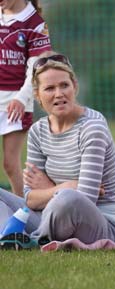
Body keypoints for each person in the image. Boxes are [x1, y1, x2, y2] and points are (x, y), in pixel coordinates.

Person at [0, 51, 115, 248]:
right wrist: (65, 186)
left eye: (64, 85)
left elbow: (84, 199)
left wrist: (52, 190)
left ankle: (25, 239)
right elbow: (29, 198)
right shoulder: (38, 131)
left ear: (75, 86)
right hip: (52, 217)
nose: (59, 94)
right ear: (37, 95)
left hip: (105, 225)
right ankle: (12, 236)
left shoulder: (93, 128)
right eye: (49, 88)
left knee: (67, 199)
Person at [0, 0, 51, 196]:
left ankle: (23, 210)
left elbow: (36, 67)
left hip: (16, 102)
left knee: (10, 164)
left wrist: (22, 98)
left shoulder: (35, 23)